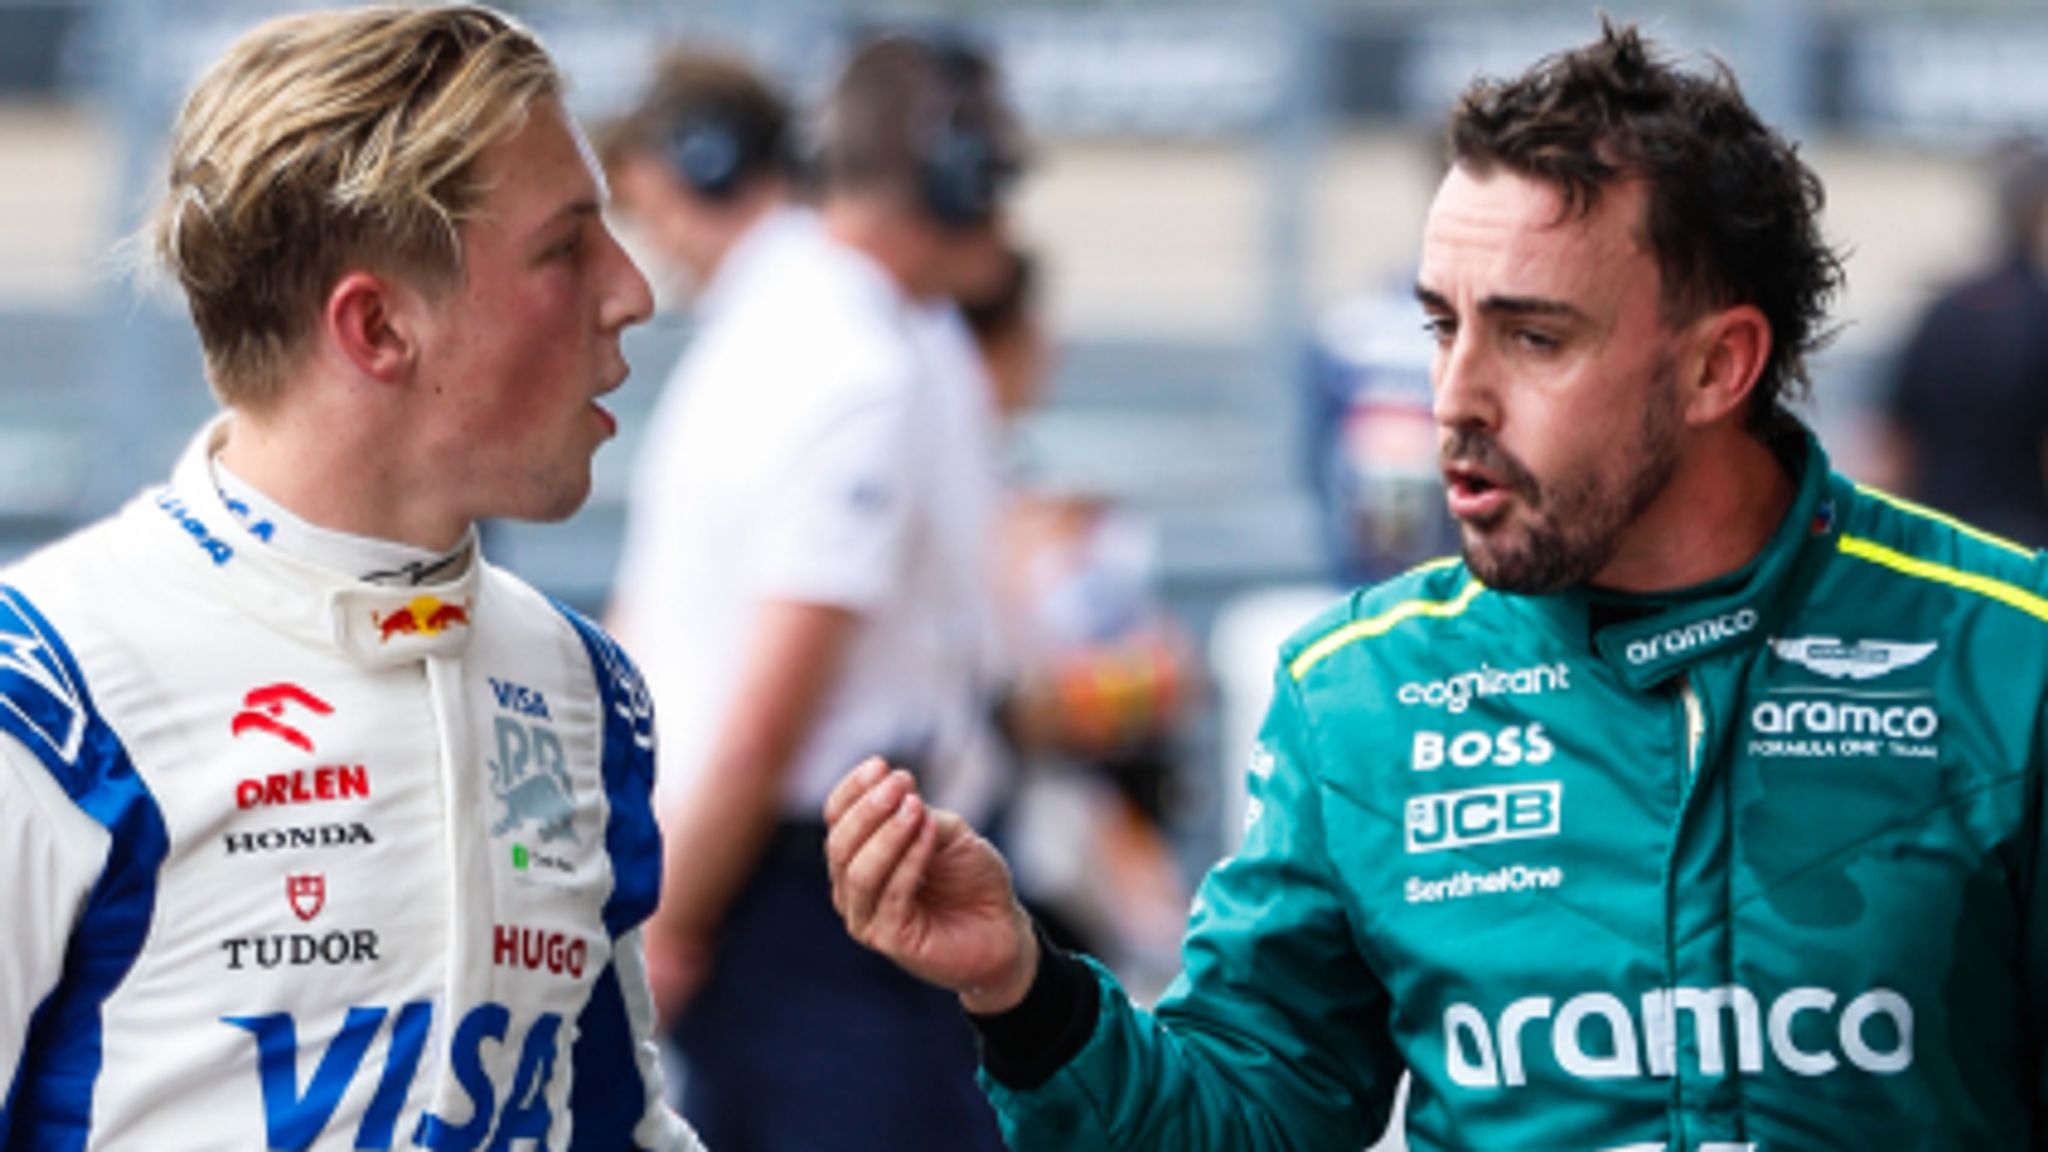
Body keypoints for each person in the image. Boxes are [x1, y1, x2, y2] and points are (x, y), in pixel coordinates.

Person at [826, 20, 2048, 1151]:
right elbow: (1249, 1113)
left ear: (1716, 365)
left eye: (1531, 337)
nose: (1452, 397)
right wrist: (1026, 994)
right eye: (1439, 326)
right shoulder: (1360, 695)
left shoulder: (2006, 656)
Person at [0, 6, 703, 1149]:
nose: (631, 291)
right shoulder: (50, 693)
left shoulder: (581, 688)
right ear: (377, 327)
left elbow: (619, 1127)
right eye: (565, 247)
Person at [601, 32, 1023, 1152]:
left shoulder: (819, 331)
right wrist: (677, 929)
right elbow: (766, 708)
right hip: (790, 890)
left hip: (778, 870)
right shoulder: (851, 353)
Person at [1878, 137, 2048, 546]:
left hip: (1943, 543)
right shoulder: (2040, 313)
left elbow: (1895, 444)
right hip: (2026, 550)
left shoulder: (1943, 311)